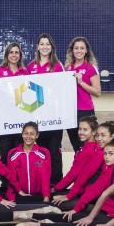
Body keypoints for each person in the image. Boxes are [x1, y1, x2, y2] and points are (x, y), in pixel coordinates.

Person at [27, 33, 65, 183]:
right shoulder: (31, 66)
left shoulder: (57, 66)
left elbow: (63, 89)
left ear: (52, 47)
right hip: (38, 117)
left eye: (47, 44)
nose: (44, 47)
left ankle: (57, 182)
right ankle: (44, 181)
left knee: (55, 150)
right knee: (42, 151)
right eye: (42, 44)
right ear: (37, 47)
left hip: (54, 116)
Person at [0, 43, 28, 163]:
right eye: (11, 52)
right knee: (5, 152)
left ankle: (18, 180)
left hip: (20, 120)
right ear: (6, 54)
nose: (14, 55)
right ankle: (6, 182)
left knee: (19, 152)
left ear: (20, 55)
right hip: (4, 121)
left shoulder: (25, 72)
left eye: (17, 52)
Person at [64, 37, 101, 152]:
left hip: (85, 111)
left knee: (88, 146)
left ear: (86, 51)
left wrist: (81, 82)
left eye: (82, 48)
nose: (79, 51)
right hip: (70, 112)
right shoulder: (67, 68)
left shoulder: (90, 68)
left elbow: (97, 92)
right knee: (76, 146)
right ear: (72, 50)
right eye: (76, 48)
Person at [6, 122, 52, 203]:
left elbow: (45, 176)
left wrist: (46, 196)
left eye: (32, 134)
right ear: (22, 134)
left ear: (37, 135)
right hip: (20, 194)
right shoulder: (12, 154)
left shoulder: (44, 153)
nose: (28, 136)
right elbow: (11, 177)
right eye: (26, 133)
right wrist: (13, 197)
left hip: (38, 195)